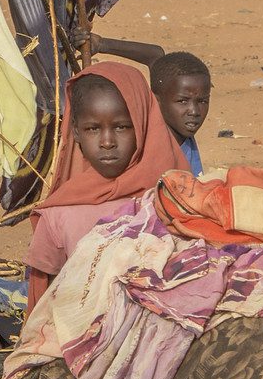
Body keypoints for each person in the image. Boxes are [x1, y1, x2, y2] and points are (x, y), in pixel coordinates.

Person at [25, 62, 183, 311]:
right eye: (93, 129)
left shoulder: (173, 200)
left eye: (121, 127)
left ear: (142, 125)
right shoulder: (58, 214)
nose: (107, 142)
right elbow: (46, 308)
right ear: (76, 132)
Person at [84, 36, 214, 175]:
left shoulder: (180, 128)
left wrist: (102, 44)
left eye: (202, 101)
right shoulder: (152, 145)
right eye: (182, 101)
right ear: (156, 101)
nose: (194, 111)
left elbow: (155, 54)